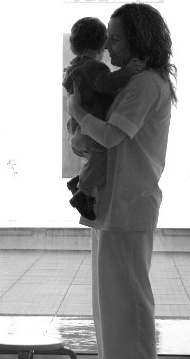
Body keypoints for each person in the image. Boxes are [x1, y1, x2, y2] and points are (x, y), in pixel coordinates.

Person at [66, 3, 176, 359]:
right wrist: (82, 130)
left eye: (115, 38)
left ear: (136, 40)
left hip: (130, 202)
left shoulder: (145, 83)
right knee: (109, 295)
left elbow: (112, 135)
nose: (108, 46)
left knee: (128, 295)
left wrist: (77, 112)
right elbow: (96, 138)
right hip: (115, 200)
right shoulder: (135, 81)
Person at [63, 17, 144, 221]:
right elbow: (106, 83)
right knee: (101, 154)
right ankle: (83, 192)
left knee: (97, 158)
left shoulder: (74, 68)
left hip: (78, 128)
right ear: (101, 45)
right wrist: (127, 72)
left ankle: (79, 181)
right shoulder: (93, 67)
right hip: (87, 130)